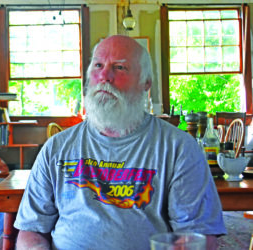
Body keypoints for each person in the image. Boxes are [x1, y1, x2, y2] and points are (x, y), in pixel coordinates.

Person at [14, 35, 226, 250]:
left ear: (146, 83)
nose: (104, 76)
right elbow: (31, 230)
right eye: (98, 65)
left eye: (120, 68)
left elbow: (200, 236)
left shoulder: (179, 148)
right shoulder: (56, 148)